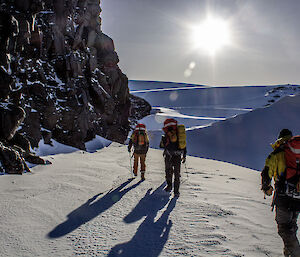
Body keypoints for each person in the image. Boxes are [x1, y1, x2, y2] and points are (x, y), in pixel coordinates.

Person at [261, 129, 300, 257]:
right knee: (291, 225)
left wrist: (267, 187)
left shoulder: (277, 154)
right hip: (298, 196)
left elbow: (266, 172)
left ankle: (295, 253)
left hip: (283, 197)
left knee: (284, 228)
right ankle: (289, 252)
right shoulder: (296, 153)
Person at [160, 118, 186, 197]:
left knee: (168, 171)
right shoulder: (179, 135)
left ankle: (169, 186)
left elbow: (161, 146)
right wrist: (184, 156)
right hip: (177, 156)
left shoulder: (166, 134)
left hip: (168, 155)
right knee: (177, 173)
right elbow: (184, 146)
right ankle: (176, 191)